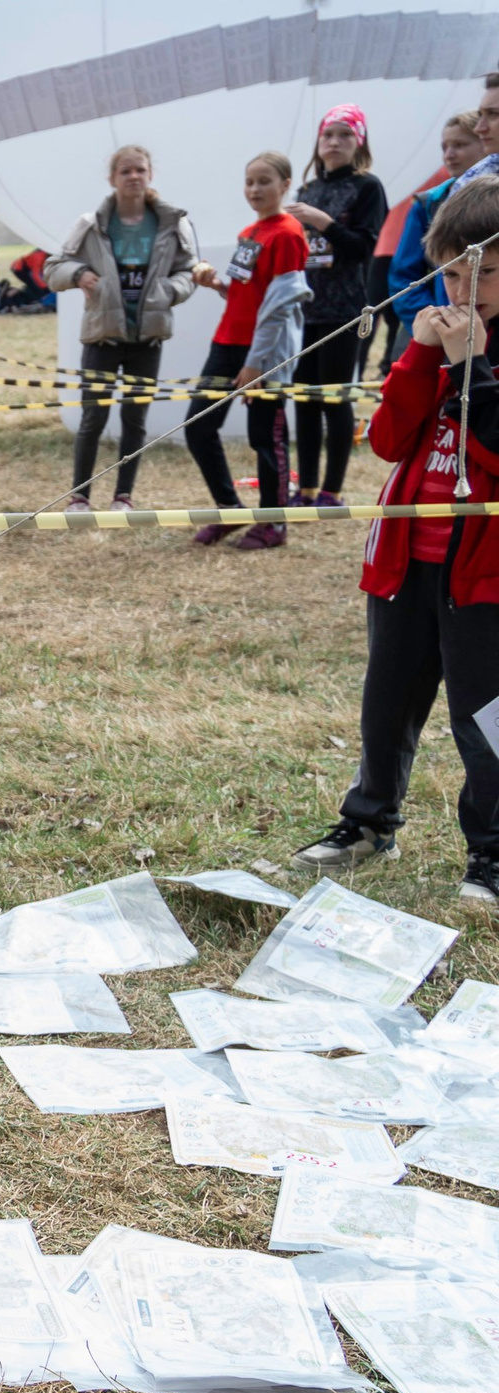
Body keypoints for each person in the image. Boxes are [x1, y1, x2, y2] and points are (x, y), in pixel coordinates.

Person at [288, 175, 499, 905]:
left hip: (484, 575)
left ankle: (492, 852)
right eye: (453, 272)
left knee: (486, 720)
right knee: (388, 705)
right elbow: (387, 439)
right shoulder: (434, 339)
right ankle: (370, 820)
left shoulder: (479, 349)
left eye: (485, 273)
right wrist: (419, 356)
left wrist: (473, 366)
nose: (465, 288)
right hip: (408, 560)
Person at [45, 144, 200, 513]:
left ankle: (123, 497)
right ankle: (80, 497)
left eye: (140, 170)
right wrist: (79, 274)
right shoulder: (91, 224)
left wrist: (171, 290)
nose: (134, 177)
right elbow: (53, 268)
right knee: (92, 418)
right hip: (102, 335)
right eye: (126, 171)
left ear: (150, 175)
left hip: (147, 338)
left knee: (135, 420)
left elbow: (190, 270)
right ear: (112, 178)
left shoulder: (173, 223)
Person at [183, 151, 310, 547]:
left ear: (285, 185)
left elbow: (279, 308)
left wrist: (257, 364)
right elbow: (249, 294)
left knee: (265, 437)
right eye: (249, 181)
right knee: (199, 426)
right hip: (226, 344)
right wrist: (218, 285)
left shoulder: (288, 234)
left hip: (264, 353)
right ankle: (230, 509)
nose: (255, 189)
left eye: (264, 181)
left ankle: (274, 522)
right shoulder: (250, 232)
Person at [284, 105, 387, 509]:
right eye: (328, 134)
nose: (335, 142)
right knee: (305, 398)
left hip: (345, 309)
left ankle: (332, 491)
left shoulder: (367, 187)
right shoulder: (307, 190)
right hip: (305, 309)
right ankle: (306, 488)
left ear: (359, 142)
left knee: (335, 398)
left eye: (345, 135)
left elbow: (364, 247)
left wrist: (323, 222)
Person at [388, 113, 486, 359]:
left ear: (484, 142)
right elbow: (403, 276)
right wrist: (437, 322)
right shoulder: (429, 203)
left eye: (460, 145)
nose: (449, 154)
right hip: (440, 332)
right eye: (445, 147)